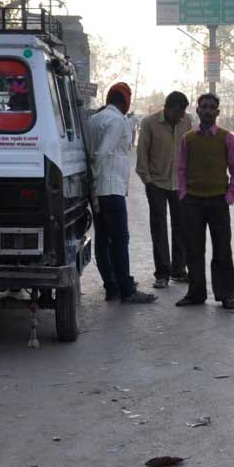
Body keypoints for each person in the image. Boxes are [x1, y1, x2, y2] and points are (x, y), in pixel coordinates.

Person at [89, 82, 156, 304]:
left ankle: (111, 286)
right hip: (111, 189)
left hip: (99, 190)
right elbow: (102, 153)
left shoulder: (95, 119)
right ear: (125, 102)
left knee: (103, 239)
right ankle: (126, 289)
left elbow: (91, 152)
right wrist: (98, 181)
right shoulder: (117, 120)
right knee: (120, 239)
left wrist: (93, 187)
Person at [176, 93, 234, 310]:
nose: (207, 110)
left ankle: (226, 295)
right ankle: (196, 293)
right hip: (193, 203)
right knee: (194, 250)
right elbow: (182, 170)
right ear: (197, 111)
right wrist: (183, 195)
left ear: (217, 112)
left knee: (222, 249)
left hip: (218, 202)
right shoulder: (188, 139)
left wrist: (229, 196)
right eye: (203, 106)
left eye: (211, 107)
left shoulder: (227, 138)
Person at [136, 91, 192, 290]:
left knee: (181, 227)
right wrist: (147, 181)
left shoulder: (187, 122)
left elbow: (190, 151)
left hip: (179, 184)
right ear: (168, 108)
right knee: (159, 228)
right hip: (156, 184)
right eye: (178, 112)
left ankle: (179, 269)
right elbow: (142, 154)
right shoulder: (149, 123)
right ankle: (162, 273)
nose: (181, 116)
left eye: (184, 112)